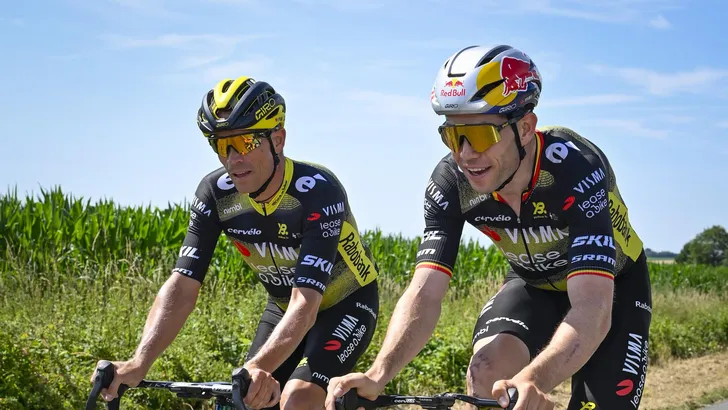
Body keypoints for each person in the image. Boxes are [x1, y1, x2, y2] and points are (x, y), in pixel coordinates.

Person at [325, 45, 651, 410]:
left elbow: (592, 306)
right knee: (487, 375)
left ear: (525, 128)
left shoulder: (575, 169)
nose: (465, 154)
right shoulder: (451, 183)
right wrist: (378, 374)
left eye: (480, 135)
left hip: (612, 287)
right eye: (453, 136)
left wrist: (534, 379)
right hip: (533, 284)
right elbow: (425, 294)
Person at [91, 76, 381, 410]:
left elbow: (306, 303)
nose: (232, 159)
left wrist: (258, 367)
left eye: (243, 142)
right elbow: (183, 286)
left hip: (346, 303)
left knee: (298, 398)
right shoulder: (216, 194)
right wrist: (138, 362)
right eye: (220, 145)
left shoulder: (318, 191)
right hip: (283, 307)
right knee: (247, 398)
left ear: (278, 139)